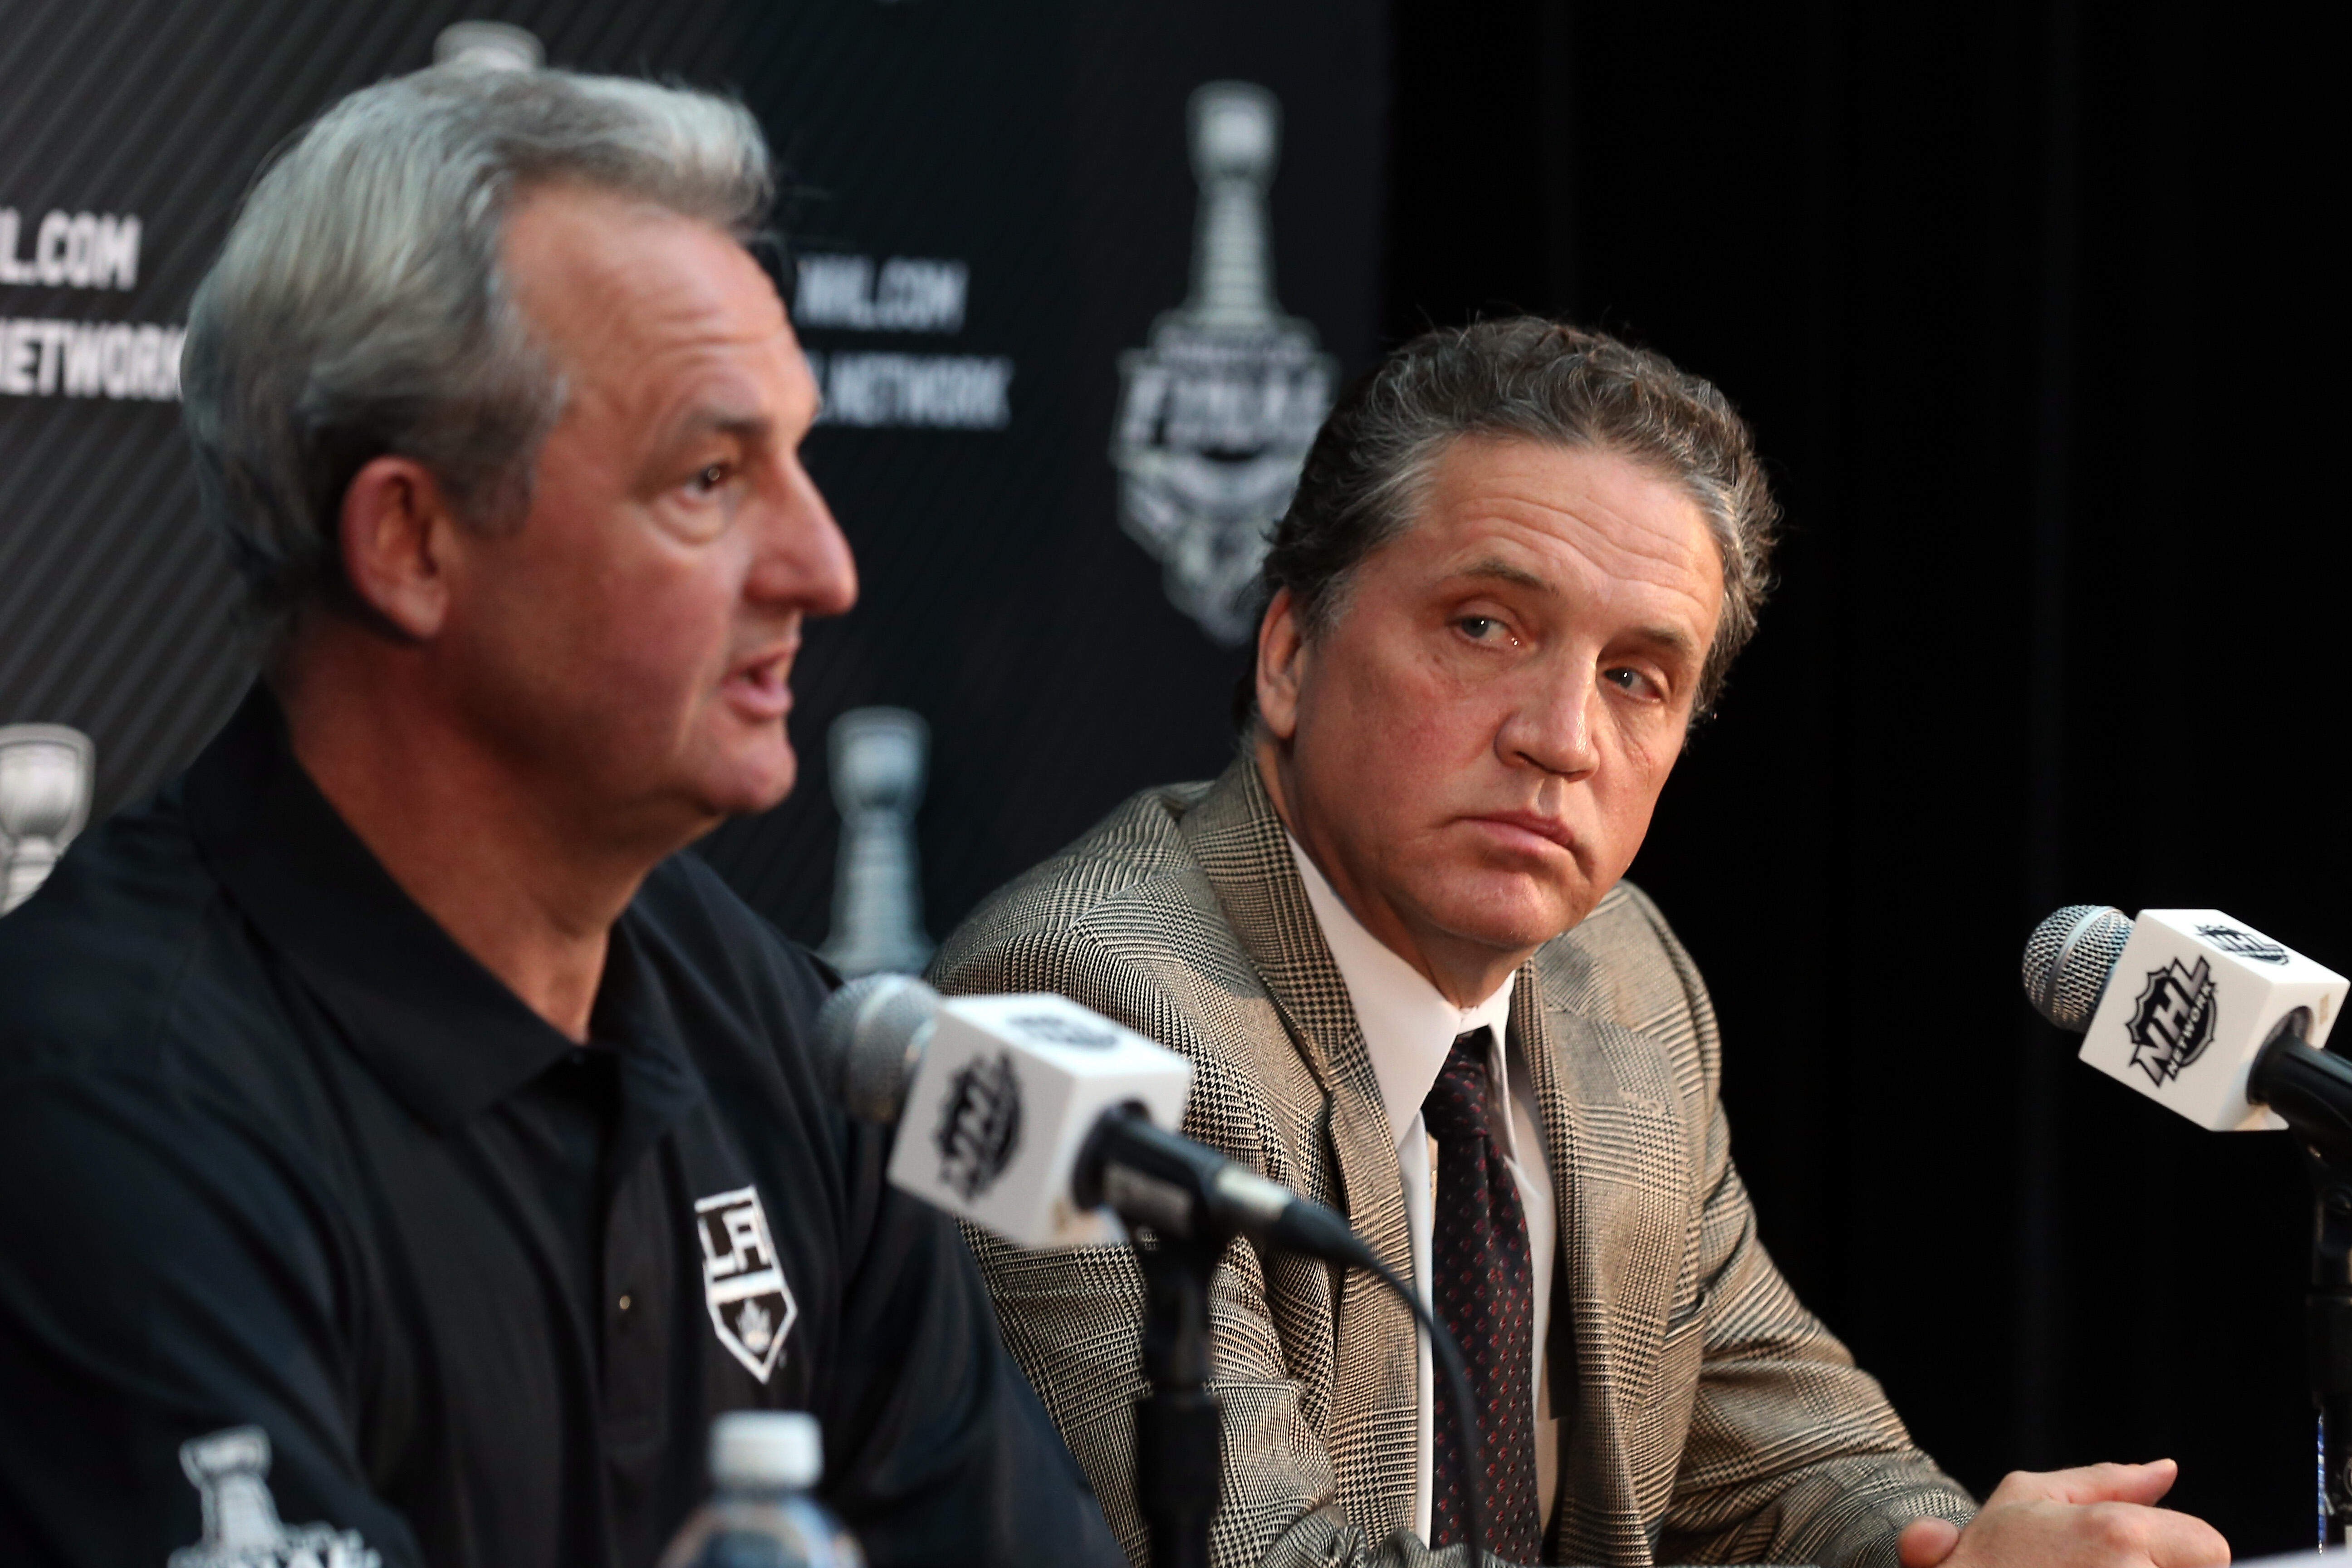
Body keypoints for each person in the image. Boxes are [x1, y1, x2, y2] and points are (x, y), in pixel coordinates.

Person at [0, 64, 1125, 1568]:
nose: (829, 565)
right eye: (711, 478)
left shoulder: (790, 1039)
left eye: (802, 458)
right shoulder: (103, 1103)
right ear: (411, 540)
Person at [931, 320, 2234, 1568]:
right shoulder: (1085, 997)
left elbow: (1795, 1461)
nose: (1561, 738)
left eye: (1636, 676)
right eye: (1484, 626)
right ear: (1289, 653)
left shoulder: (1617, 972)